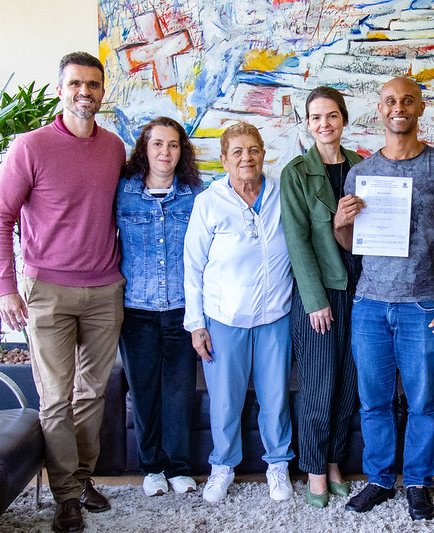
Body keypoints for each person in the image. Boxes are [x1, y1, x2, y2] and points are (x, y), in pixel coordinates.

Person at [0, 52, 126, 533]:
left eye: (93, 84)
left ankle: (81, 479)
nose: (85, 92)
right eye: (75, 84)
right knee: (54, 399)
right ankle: (66, 496)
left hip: (105, 289)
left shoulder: (113, 148)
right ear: (61, 90)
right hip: (46, 291)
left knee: (92, 394)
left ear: (102, 91)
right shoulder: (30, 147)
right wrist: (6, 287)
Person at [334, 77, 434, 521]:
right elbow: (353, 244)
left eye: (408, 100)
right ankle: (378, 479)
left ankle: (417, 482)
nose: (399, 107)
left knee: (423, 402)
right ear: (380, 108)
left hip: (423, 304)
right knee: (373, 402)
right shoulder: (361, 172)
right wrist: (340, 223)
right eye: (391, 101)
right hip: (370, 304)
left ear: (420, 107)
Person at [184, 122, 295, 503]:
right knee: (225, 401)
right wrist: (196, 324)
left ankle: (277, 466)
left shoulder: (282, 194)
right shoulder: (209, 202)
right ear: (224, 159)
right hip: (224, 319)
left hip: (275, 316)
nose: (246, 158)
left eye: (253, 150)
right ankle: (222, 467)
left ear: (264, 153)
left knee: (275, 399)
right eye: (237, 152)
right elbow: (192, 267)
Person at [280, 87, 363, 508]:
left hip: (360, 291)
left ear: (343, 119)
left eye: (332, 115)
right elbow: (297, 242)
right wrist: (315, 300)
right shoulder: (295, 173)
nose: (324, 124)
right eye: (316, 117)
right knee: (318, 385)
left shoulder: (363, 167)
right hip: (319, 293)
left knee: (348, 384)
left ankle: (333, 463)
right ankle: (314, 468)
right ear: (308, 124)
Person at [115, 117, 203, 498]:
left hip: (182, 309)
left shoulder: (195, 195)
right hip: (136, 309)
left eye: (173, 145)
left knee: (179, 393)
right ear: (144, 149)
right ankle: (151, 467)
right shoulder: (123, 193)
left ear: (182, 152)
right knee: (144, 391)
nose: (165, 152)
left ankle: (178, 467)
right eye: (157, 144)